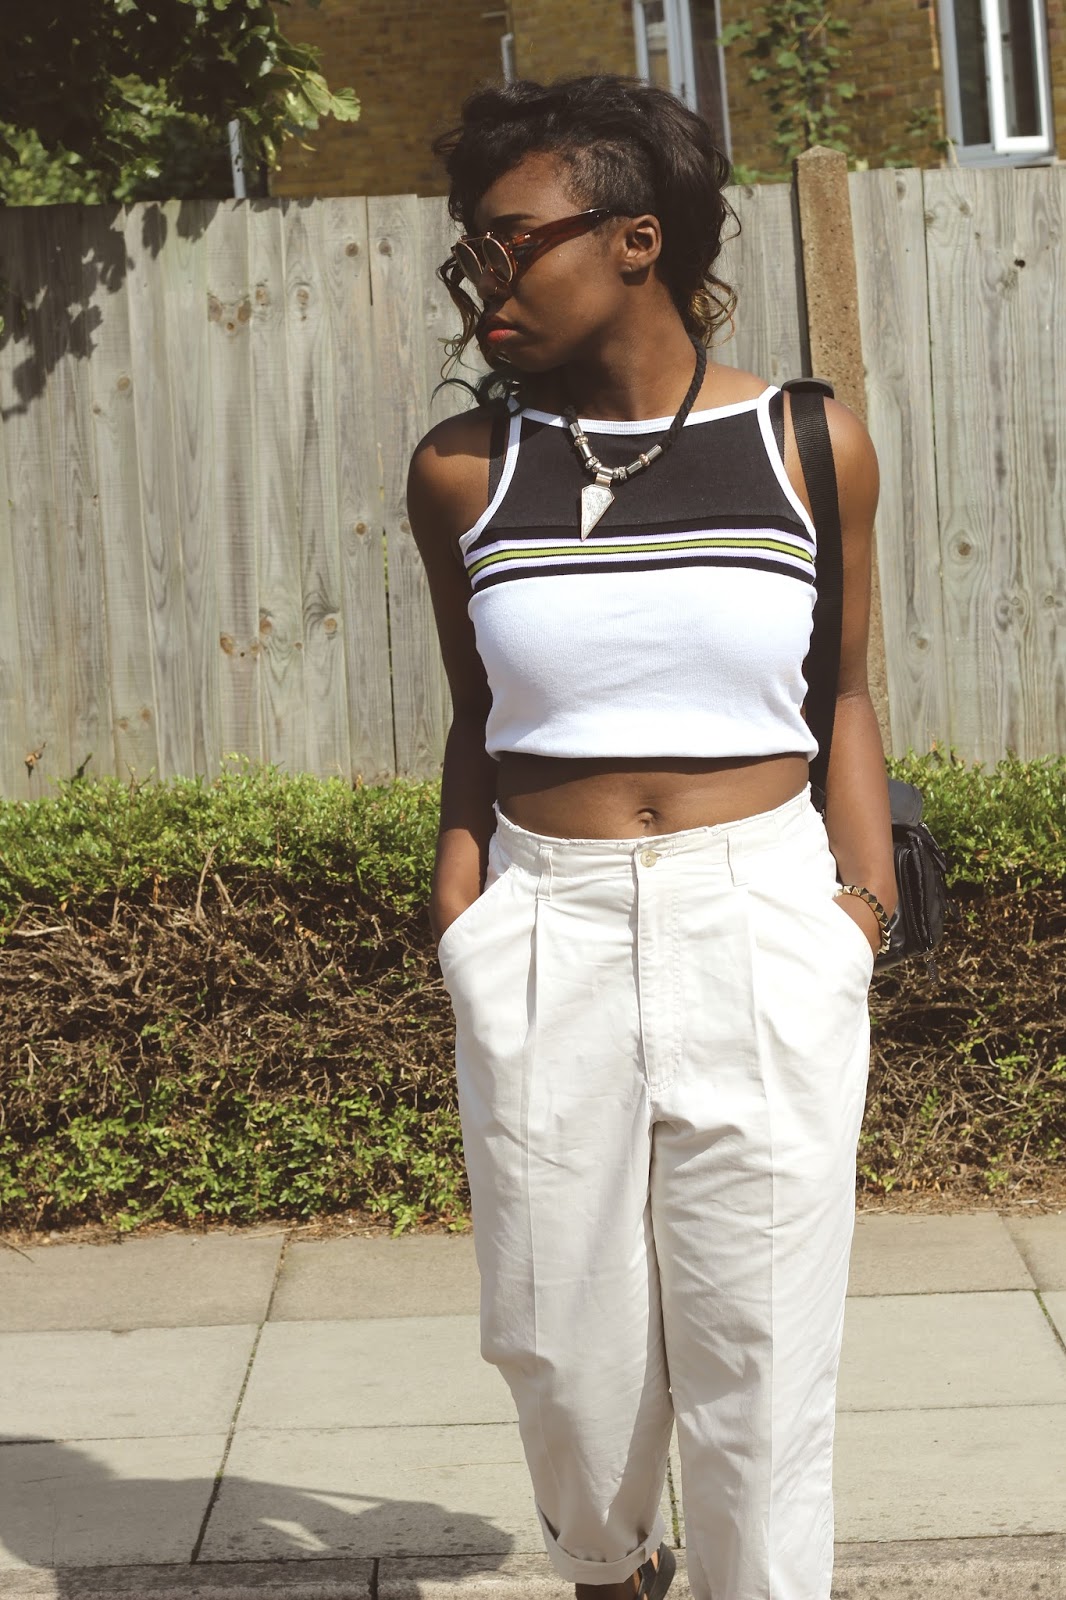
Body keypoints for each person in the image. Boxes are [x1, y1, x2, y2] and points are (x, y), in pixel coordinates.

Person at [407, 75, 896, 1600]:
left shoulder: (806, 445)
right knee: (557, 1346)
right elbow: (476, 713)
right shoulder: (465, 471)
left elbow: (844, 694)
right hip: (544, 926)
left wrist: (858, 911)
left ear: (634, 240)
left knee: (761, 1355)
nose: (479, 274)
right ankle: (613, 1566)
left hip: (760, 917)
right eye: (470, 245)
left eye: (507, 240)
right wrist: (464, 912)